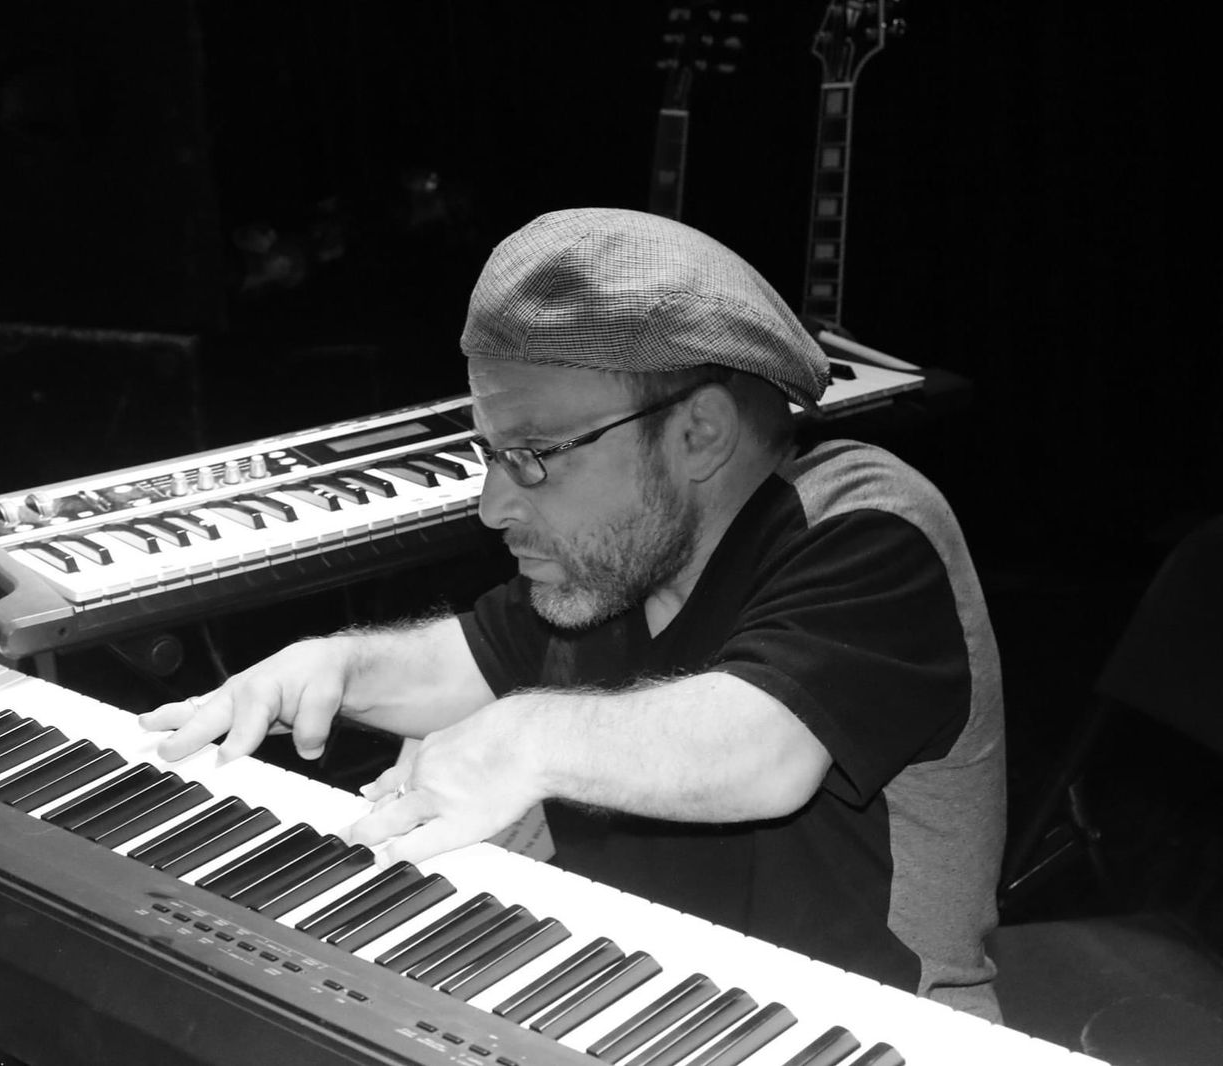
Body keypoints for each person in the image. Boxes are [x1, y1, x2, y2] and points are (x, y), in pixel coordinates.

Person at [139, 207, 1006, 1021]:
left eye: (534, 455)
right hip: (633, 1011)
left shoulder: (867, 523)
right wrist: (331, 668)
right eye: (490, 453)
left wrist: (521, 741)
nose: (492, 508)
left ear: (699, 432)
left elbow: (764, 751)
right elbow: (465, 662)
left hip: (874, 1030)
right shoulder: (610, 563)